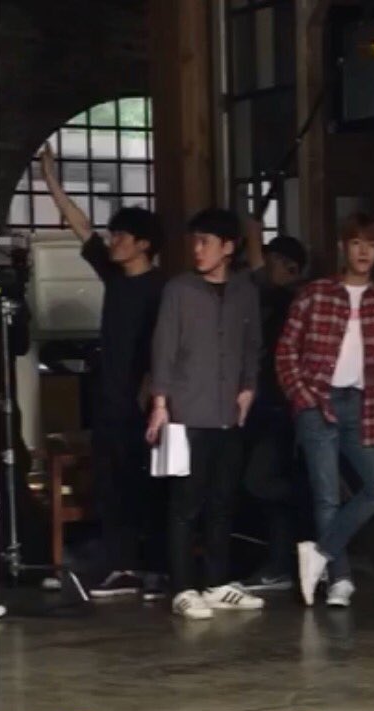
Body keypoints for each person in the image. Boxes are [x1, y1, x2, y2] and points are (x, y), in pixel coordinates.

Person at [40, 145, 165, 598]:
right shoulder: (115, 277)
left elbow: (165, 349)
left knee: (141, 484)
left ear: (143, 244)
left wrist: (152, 394)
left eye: (122, 236)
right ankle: (120, 567)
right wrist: (51, 182)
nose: (113, 241)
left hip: (143, 403)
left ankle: (147, 567)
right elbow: (83, 227)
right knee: (110, 484)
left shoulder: (161, 288)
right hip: (109, 398)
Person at [276, 212, 374, 609]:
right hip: (318, 400)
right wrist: (302, 396)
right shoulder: (316, 294)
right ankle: (339, 579)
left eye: (371, 245)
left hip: (365, 403)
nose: (363, 252)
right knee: (326, 496)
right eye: (356, 243)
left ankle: (319, 554)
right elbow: (286, 350)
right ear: (344, 248)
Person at [146, 208, 264, 621]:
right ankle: (183, 587)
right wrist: (160, 404)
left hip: (228, 412)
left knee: (222, 501)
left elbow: (252, 344)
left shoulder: (245, 290)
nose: (197, 249)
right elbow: (163, 347)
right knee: (185, 504)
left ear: (227, 247)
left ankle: (217, 582)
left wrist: (248, 387)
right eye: (195, 241)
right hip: (187, 411)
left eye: (206, 242)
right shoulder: (179, 290)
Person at [236, 218, 308, 593]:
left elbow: (259, 278)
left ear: (291, 268)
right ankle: (280, 563)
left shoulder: (292, 299)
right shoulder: (272, 299)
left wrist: (252, 237)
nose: (267, 268)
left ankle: (315, 503)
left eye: (274, 262)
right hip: (266, 407)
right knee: (267, 486)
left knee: (261, 481)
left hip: (282, 409)